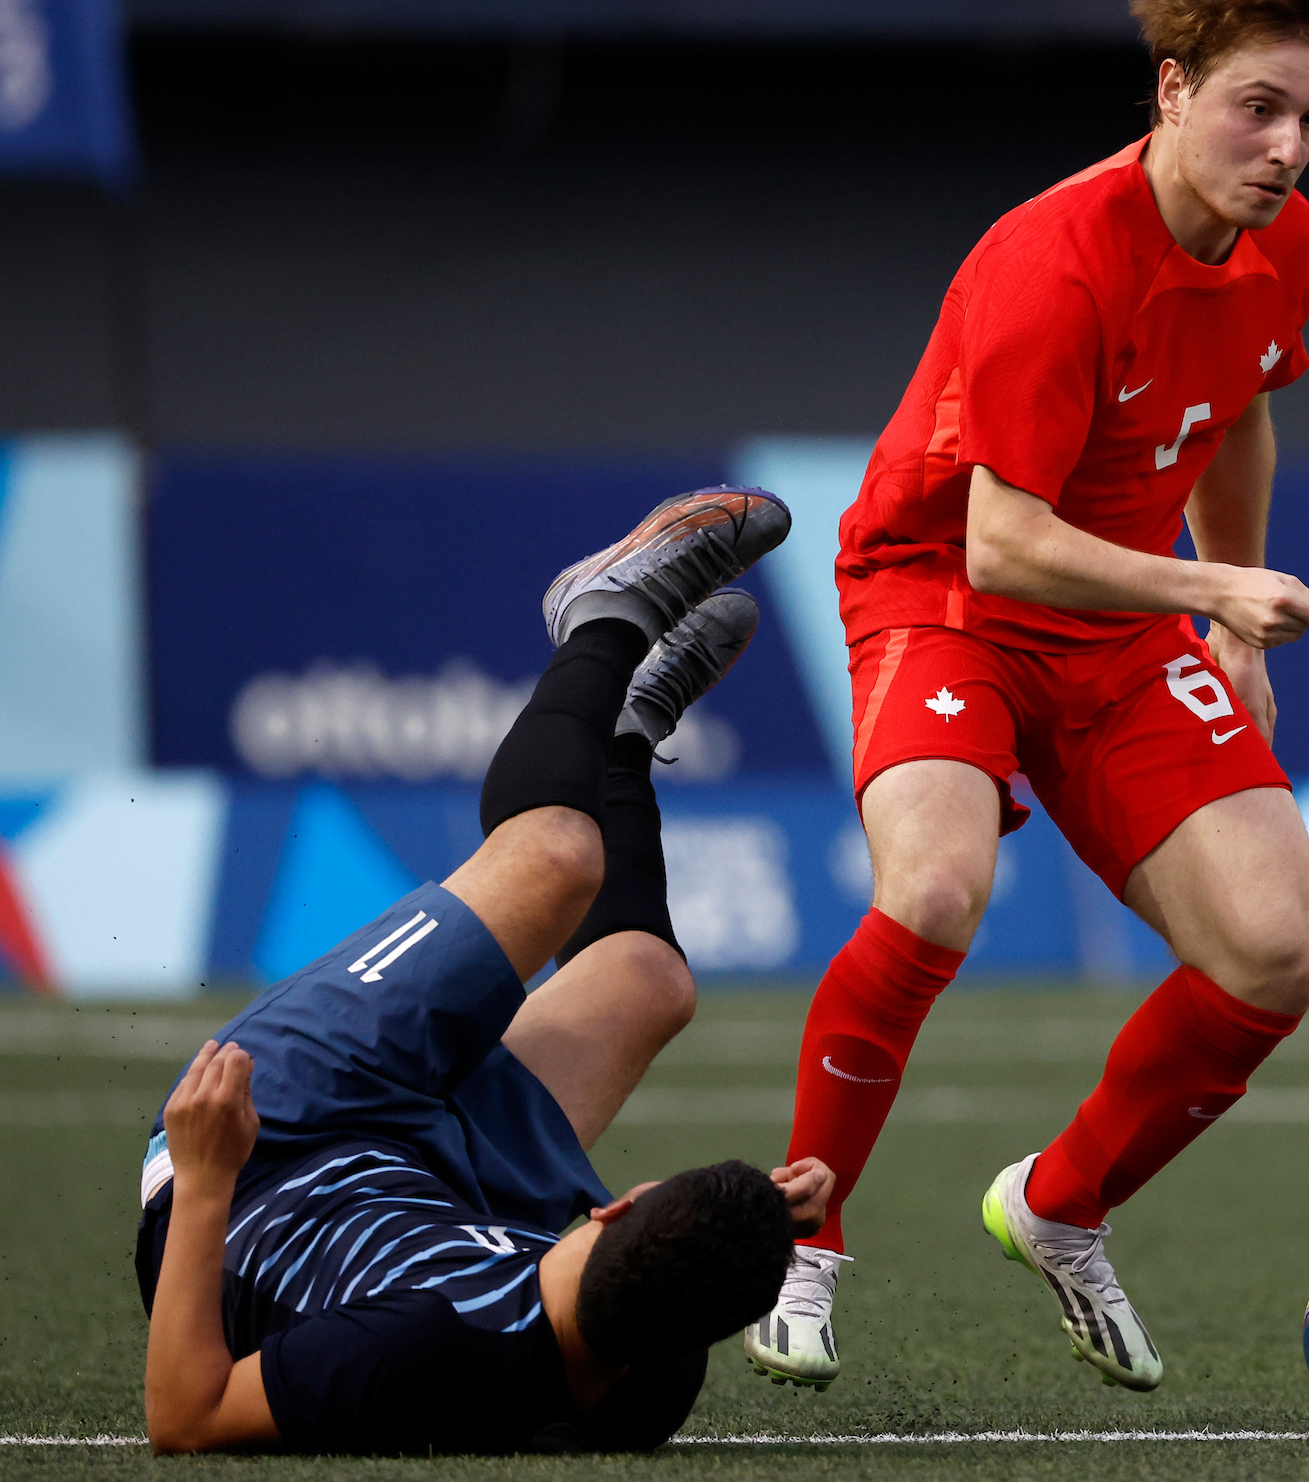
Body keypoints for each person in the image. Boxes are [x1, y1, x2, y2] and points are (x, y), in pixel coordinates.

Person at [743, 0, 1309, 1396]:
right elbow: (1004, 543)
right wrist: (1216, 583)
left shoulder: (1286, 248)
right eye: (1257, 108)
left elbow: (1244, 404)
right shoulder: (1052, 264)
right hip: (945, 593)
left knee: (1277, 952)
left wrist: (1207, 614)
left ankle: (1061, 1205)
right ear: (1171, 91)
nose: (1287, 148)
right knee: (939, 890)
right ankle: (801, 1251)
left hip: (1125, 620)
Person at [137, 488, 838, 1455]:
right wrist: (741, 1225)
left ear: (618, 1206)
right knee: (647, 982)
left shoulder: (418, 1350)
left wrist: (209, 1178)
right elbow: (660, 1283)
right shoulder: (650, 1381)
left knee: (555, 859)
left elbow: (185, 1418)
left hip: (261, 1152)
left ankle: (601, 615)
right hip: (442, 1182)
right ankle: (629, 732)